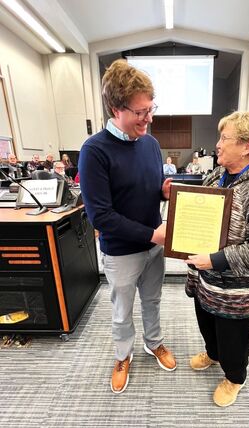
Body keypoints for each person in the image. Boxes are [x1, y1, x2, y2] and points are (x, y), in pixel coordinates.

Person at [78, 59, 176, 394]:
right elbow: (101, 216)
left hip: (154, 246)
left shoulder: (150, 143)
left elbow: (144, 187)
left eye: (152, 109)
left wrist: (162, 190)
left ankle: (154, 343)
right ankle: (123, 355)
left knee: (153, 300)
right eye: (141, 112)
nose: (149, 118)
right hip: (122, 252)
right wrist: (152, 234)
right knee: (122, 311)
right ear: (116, 108)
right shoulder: (94, 151)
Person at [184, 111, 249, 408]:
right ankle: (213, 354)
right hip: (209, 278)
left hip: (241, 287)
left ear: (247, 145)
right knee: (207, 321)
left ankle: (234, 377)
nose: (217, 145)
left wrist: (216, 259)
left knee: (234, 336)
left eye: (224, 138)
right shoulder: (218, 175)